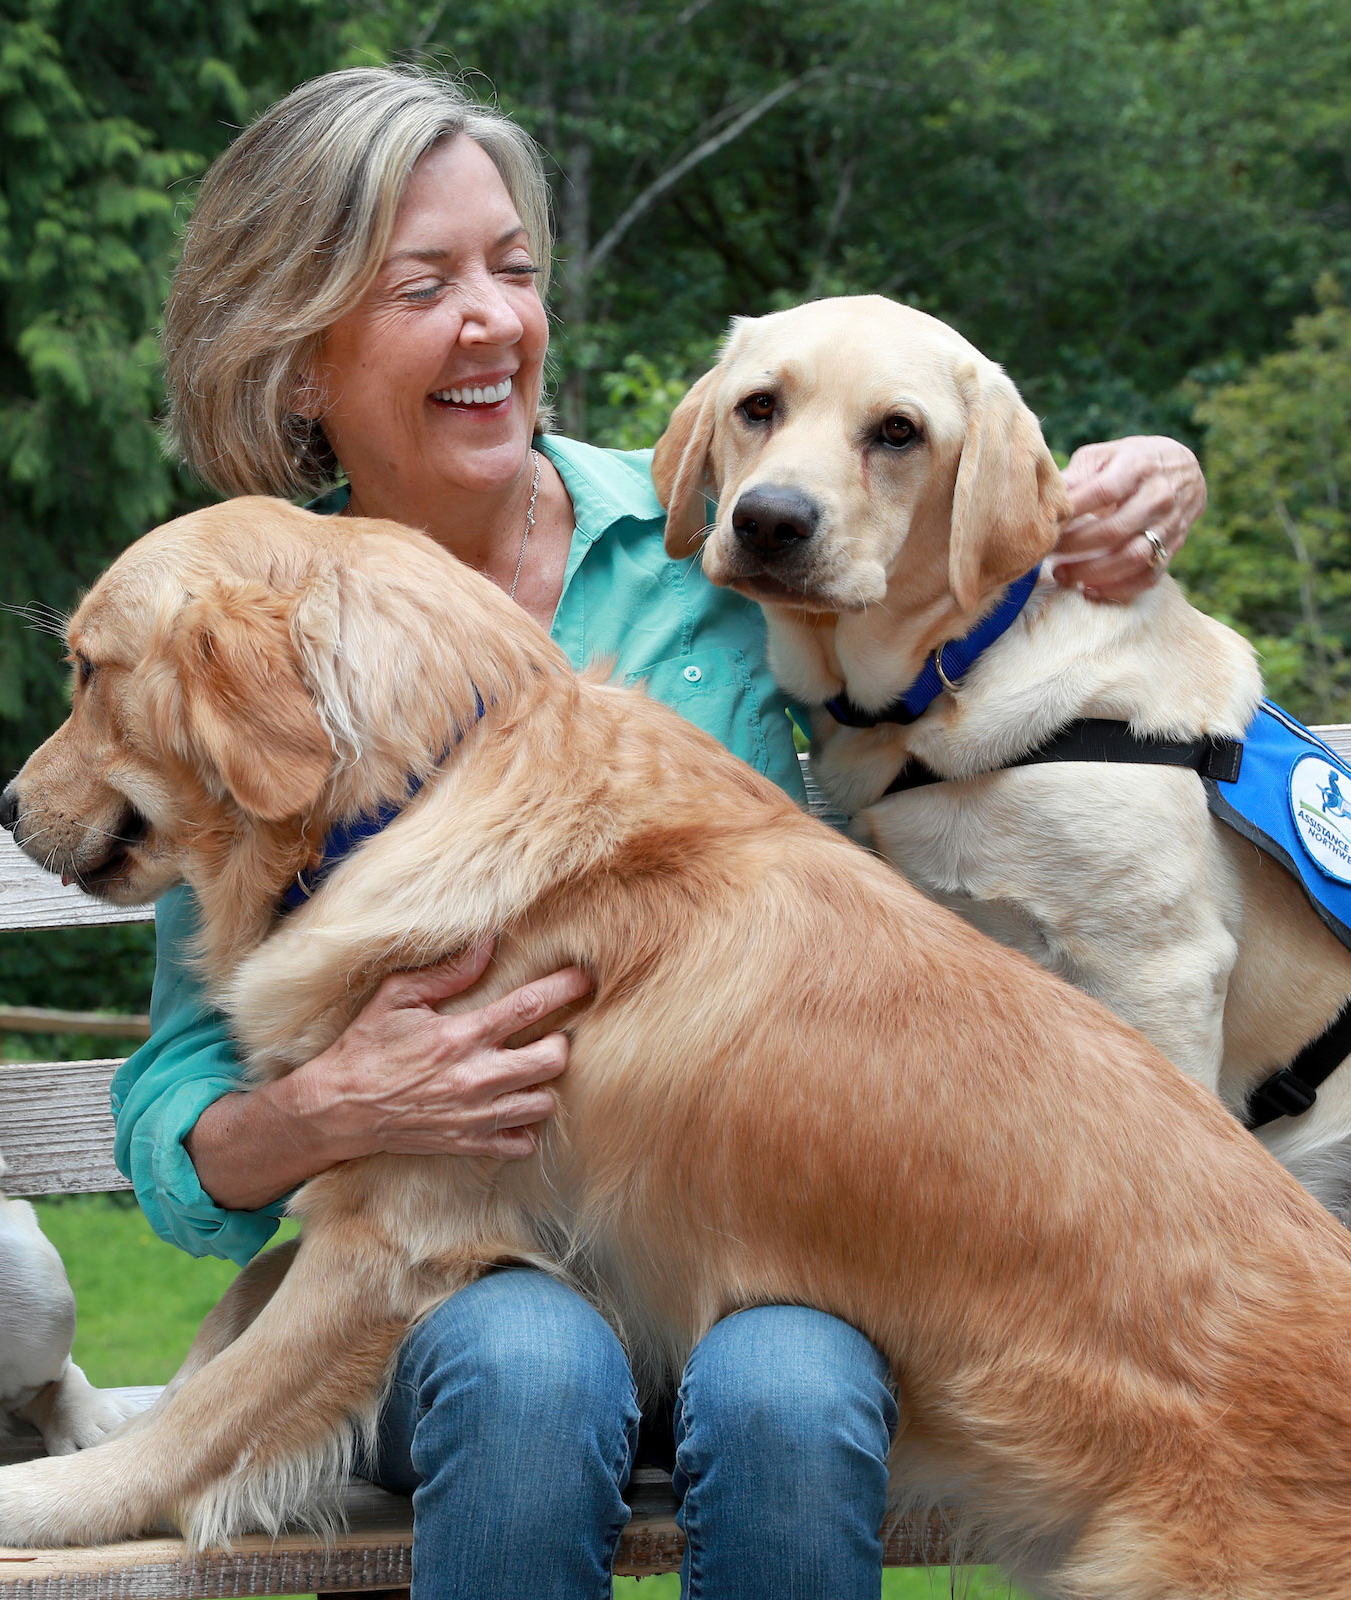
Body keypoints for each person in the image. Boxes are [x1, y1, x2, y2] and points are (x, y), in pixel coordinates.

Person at [120, 65, 1208, 1600]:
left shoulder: (733, 530)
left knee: (793, 1393)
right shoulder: (253, 636)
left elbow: (962, 539)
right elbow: (175, 1096)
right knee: (525, 1372)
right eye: (422, 285)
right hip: (451, 1270)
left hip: (752, 1245)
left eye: (511, 267)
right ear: (299, 362)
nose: (493, 320)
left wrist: (1133, 484)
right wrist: (323, 1110)